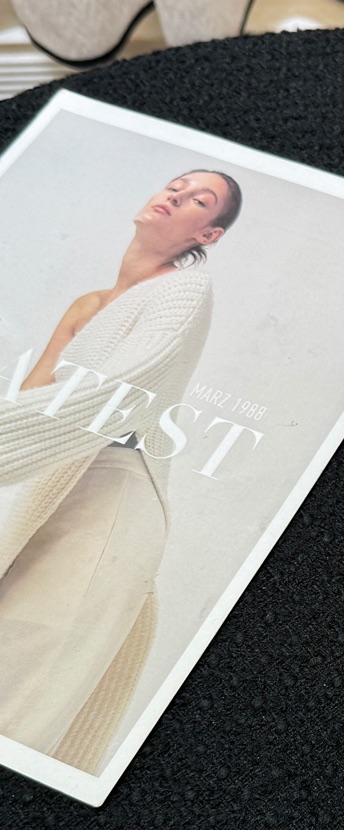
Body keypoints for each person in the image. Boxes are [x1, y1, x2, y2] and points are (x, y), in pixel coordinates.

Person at [0, 170, 242, 774]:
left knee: (27, 682)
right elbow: (32, 399)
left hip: (112, 498)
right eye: (175, 185)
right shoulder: (88, 304)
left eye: (199, 200)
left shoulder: (185, 289)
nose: (176, 195)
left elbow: (119, 391)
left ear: (208, 234)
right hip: (53, 487)